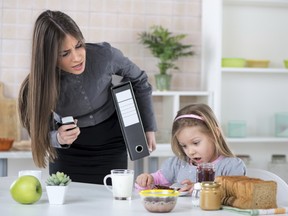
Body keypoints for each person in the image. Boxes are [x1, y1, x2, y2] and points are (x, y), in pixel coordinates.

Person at [18, 10, 157, 184]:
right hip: (69, 152)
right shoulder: (35, 87)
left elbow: (140, 80)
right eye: (64, 53)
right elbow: (37, 133)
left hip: (112, 145)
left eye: (78, 46)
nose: (77, 58)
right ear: (48, 56)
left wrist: (147, 127)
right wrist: (58, 138)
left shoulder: (105, 55)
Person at [135, 103, 246, 192]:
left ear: (215, 134)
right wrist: (147, 180)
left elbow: (236, 193)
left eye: (196, 143)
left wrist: (200, 188)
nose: (190, 152)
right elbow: (154, 184)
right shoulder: (177, 164)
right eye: (184, 146)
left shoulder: (231, 166)